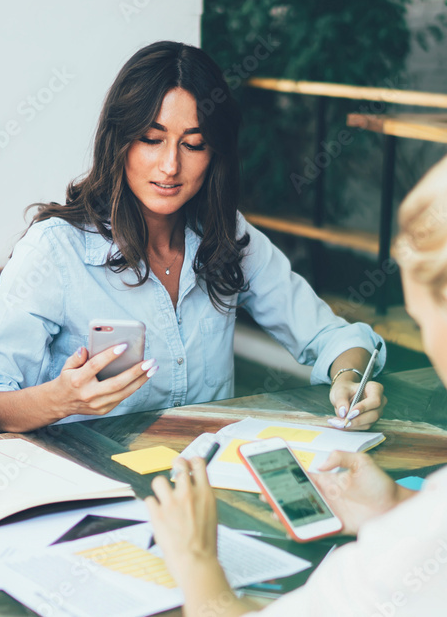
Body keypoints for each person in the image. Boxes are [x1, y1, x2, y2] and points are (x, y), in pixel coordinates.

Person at [0, 41, 386, 439]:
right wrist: (61, 399)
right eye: (151, 140)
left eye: (193, 144)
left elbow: (334, 337)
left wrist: (349, 379)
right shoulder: (54, 251)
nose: (170, 166)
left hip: (206, 483)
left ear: (215, 154)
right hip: (92, 491)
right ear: (118, 142)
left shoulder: (227, 236)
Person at [146, 154, 447, 615]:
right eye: (151, 139)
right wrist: (395, 506)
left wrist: (194, 559)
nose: (171, 165)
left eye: (422, 321)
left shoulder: (406, 557)